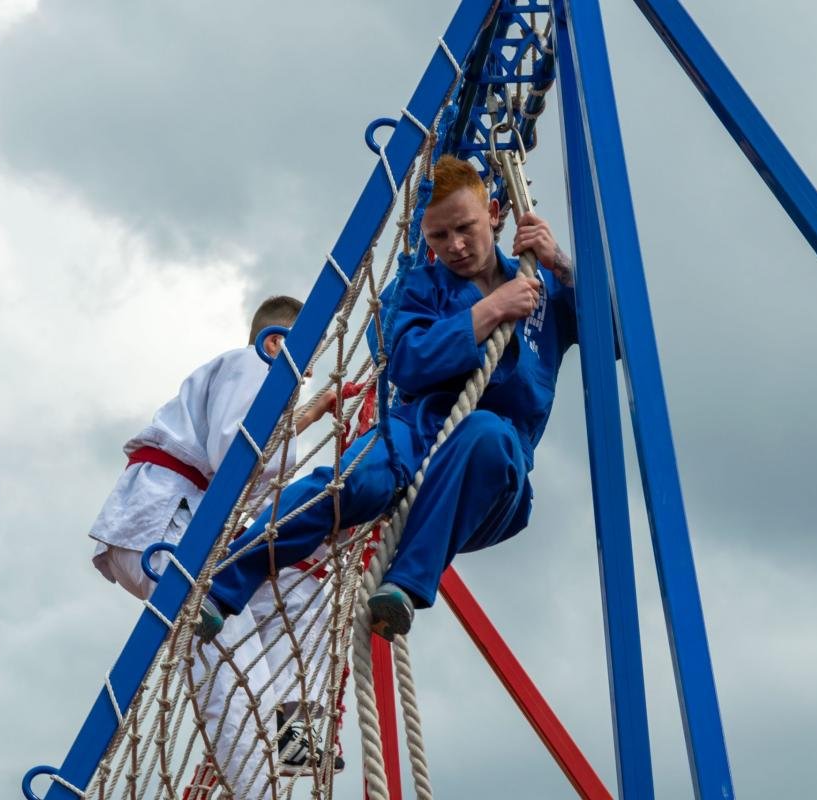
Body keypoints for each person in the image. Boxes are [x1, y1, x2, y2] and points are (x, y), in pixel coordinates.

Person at [198, 154, 579, 642]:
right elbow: (406, 360)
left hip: (489, 478)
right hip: (416, 431)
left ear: (496, 214)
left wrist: (561, 264)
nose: (455, 246)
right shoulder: (419, 288)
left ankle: (403, 586)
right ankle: (226, 582)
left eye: (465, 228)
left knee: (486, 434)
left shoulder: (541, 286)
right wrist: (487, 312)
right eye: (438, 236)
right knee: (350, 482)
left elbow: (615, 330)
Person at [88, 295, 340, 797]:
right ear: (278, 344)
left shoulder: (243, 385)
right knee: (231, 650)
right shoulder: (255, 364)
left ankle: (297, 750)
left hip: (172, 523)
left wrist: (309, 418)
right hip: (164, 523)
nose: (302, 381)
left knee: (282, 615)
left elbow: (253, 468)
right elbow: (239, 455)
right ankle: (257, 789)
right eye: (304, 369)